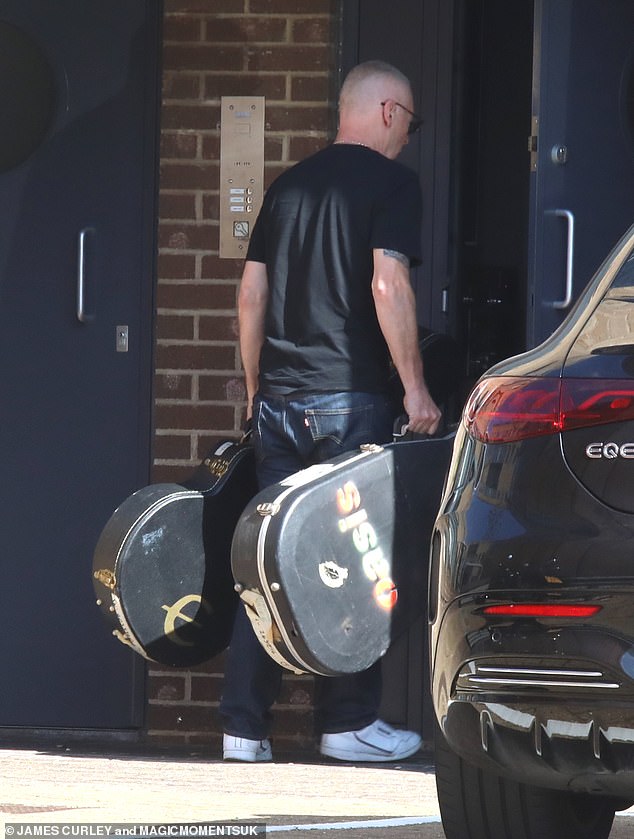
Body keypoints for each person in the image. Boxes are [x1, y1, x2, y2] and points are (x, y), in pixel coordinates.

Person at [219, 60, 442, 763]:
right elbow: (388, 282)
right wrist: (414, 386)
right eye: (410, 121)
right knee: (358, 556)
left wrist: (256, 387)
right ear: (385, 112)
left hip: (280, 406)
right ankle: (348, 723)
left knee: (271, 561)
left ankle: (242, 729)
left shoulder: (287, 188)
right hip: (351, 403)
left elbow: (250, 296)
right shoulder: (393, 185)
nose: (408, 137)